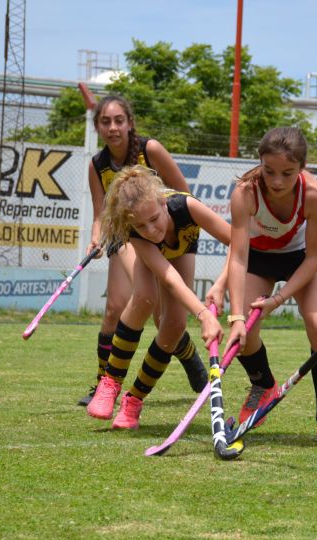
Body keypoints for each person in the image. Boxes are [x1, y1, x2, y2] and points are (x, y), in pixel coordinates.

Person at [217, 127, 317, 447]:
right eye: (269, 171)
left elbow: (314, 257)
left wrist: (279, 298)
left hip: (300, 260)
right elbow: (237, 257)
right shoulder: (246, 192)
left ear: (302, 168)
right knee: (245, 332)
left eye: (287, 173)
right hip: (259, 257)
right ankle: (262, 384)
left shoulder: (313, 194)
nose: (277, 181)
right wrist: (237, 317)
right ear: (260, 165)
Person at [79, 94, 207, 407]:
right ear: (97, 127)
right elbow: (100, 212)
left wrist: (165, 233)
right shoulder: (97, 165)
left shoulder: (150, 150)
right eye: (105, 121)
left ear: (130, 123)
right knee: (117, 306)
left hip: (162, 232)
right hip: (124, 235)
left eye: (118, 120)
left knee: (162, 313)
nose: (112, 127)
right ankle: (102, 383)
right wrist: (96, 237)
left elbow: (183, 195)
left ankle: (188, 354)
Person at [86, 165, 231, 430]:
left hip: (181, 244)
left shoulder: (188, 207)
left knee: (175, 325)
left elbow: (237, 243)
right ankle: (111, 381)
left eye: (154, 218)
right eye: (142, 225)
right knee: (145, 296)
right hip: (147, 250)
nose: (151, 228)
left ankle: (134, 400)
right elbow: (169, 279)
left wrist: (221, 284)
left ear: (163, 203)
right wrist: (204, 315)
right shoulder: (138, 233)